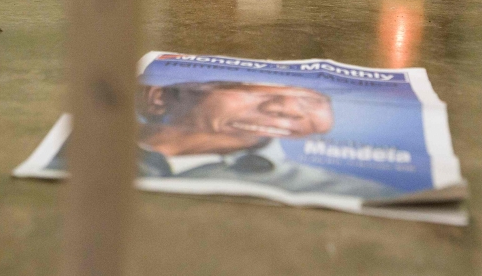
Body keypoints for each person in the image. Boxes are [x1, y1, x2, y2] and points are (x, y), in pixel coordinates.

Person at [136, 80, 403, 200]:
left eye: (312, 99)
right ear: (159, 96)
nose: (288, 109)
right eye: (247, 88)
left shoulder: (357, 194)